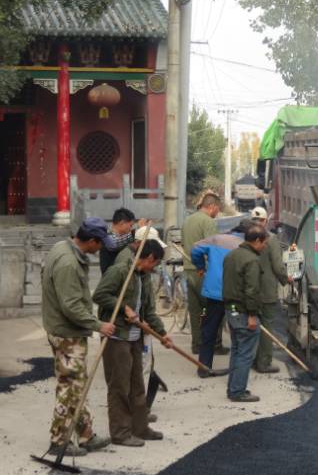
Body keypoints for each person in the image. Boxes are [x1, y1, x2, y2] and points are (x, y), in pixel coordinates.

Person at [41, 218, 114, 457]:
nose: (101, 248)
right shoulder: (68, 263)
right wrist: (98, 325)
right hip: (66, 333)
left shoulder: (62, 247)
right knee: (69, 387)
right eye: (100, 243)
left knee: (78, 383)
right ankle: (59, 440)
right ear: (91, 241)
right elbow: (71, 306)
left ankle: (85, 435)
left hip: (63, 329)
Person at [93, 241, 173, 446]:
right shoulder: (119, 271)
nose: (154, 268)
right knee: (119, 386)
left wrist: (162, 334)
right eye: (154, 263)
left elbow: (149, 311)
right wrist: (124, 309)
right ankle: (120, 433)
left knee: (138, 385)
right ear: (149, 258)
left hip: (136, 337)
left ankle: (140, 427)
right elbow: (100, 295)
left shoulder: (144, 278)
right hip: (117, 337)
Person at [190, 220, 256, 377]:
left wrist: (200, 266)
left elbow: (195, 249)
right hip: (235, 296)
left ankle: (203, 368)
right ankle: (237, 370)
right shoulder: (246, 247)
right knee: (238, 332)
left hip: (214, 293)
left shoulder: (217, 239)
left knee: (209, 330)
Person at [222, 225, 269, 402]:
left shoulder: (230, 255)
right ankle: (238, 391)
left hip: (231, 309)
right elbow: (252, 290)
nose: (265, 247)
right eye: (264, 243)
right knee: (245, 353)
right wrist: (252, 314)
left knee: (236, 350)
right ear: (256, 241)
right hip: (243, 312)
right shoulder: (252, 261)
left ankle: (233, 388)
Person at [182, 192, 225, 354]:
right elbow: (213, 249)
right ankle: (215, 344)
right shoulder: (208, 222)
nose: (217, 213)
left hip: (188, 270)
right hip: (203, 272)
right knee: (215, 309)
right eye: (217, 209)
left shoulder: (188, 220)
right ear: (212, 206)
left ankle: (197, 344)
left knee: (195, 311)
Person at [249, 207, 287, 373]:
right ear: (265, 221)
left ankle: (251, 359)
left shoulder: (246, 238)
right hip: (267, 291)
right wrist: (286, 279)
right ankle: (263, 363)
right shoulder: (271, 240)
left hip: (250, 290)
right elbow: (278, 267)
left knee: (251, 326)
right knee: (267, 326)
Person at [100, 208, 143, 275]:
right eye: (130, 225)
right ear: (122, 223)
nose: (130, 228)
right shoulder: (107, 237)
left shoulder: (123, 239)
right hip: (111, 278)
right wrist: (137, 232)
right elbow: (115, 242)